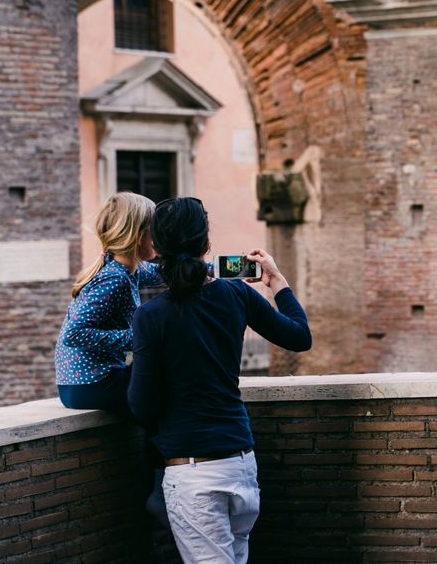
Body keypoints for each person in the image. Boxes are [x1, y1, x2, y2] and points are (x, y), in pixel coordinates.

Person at [128, 197, 312, 563]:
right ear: (206, 245)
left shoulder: (151, 316)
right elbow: (299, 336)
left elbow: (142, 407)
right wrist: (278, 282)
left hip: (194, 472)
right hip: (241, 461)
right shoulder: (237, 293)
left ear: (156, 249)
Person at [55, 192, 161, 413]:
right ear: (138, 235)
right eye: (155, 230)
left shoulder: (130, 269)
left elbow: (173, 272)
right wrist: (138, 338)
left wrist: (234, 267)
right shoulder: (115, 279)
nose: (159, 237)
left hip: (84, 386)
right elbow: (73, 334)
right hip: (91, 386)